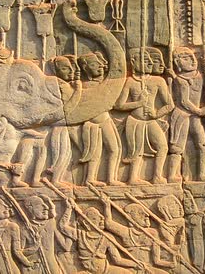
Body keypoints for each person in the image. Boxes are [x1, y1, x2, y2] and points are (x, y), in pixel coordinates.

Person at [115, 47, 174, 185]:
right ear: (134, 62)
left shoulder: (158, 81)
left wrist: (156, 114)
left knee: (162, 146)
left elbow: (170, 104)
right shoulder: (130, 82)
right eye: (145, 61)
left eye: (150, 61)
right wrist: (138, 103)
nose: (149, 64)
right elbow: (119, 105)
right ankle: (132, 178)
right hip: (135, 121)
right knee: (136, 150)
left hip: (150, 120)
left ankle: (157, 175)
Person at [167, 47, 205, 182]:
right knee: (178, 146)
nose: (192, 60)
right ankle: (171, 175)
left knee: (203, 144)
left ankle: (201, 174)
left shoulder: (201, 76)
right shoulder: (180, 80)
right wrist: (200, 111)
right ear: (177, 62)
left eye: (193, 56)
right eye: (186, 58)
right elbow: (184, 101)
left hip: (195, 116)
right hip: (182, 115)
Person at [78, 52, 123, 186]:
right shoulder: (84, 86)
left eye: (99, 64)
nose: (98, 67)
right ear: (86, 68)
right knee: (95, 152)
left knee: (115, 149)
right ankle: (89, 179)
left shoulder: (106, 83)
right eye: (93, 65)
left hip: (105, 119)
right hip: (92, 123)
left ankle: (111, 178)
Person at [102, 196, 173, 274]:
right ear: (131, 217)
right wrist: (107, 206)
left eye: (145, 212)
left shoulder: (152, 233)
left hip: (148, 268)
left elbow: (156, 261)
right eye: (140, 213)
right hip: (131, 269)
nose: (146, 215)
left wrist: (171, 264)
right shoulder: (126, 232)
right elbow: (108, 224)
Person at [47, 55, 82, 186]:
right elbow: (68, 107)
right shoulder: (57, 85)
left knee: (67, 153)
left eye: (71, 68)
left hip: (67, 124)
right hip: (61, 125)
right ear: (56, 70)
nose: (70, 72)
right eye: (65, 69)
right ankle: (55, 180)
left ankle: (58, 178)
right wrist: (78, 90)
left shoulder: (65, 85)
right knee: (62, 152)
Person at [76, 207, 141, 274]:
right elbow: (64, 228)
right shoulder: (80, 235)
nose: (102, 218)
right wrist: (68, 209)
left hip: (105, 270)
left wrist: (135, 264)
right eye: (95, 218)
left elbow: (117, 260)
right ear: (86, 223)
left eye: (101, 216)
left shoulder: (107, 237)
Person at [21, 195, 74, 274]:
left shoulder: (50, 224)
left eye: (45, 205)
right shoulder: (25, 229)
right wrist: (34, 248)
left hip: (51, 266)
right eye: (40, 205)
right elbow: (19, 253)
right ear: (30, 209)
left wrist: (71, 233)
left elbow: (66, 247)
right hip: (33, 267)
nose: (45, 207)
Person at [183, 189, 205, 274]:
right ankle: (197, 265)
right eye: (186, 205)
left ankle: (199, 265)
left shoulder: (198, 216)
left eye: (190, 205)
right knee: (194, 250)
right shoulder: (188, 218)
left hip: (199, 238)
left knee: (199, 250)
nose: (188, 207)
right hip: (192, 238)